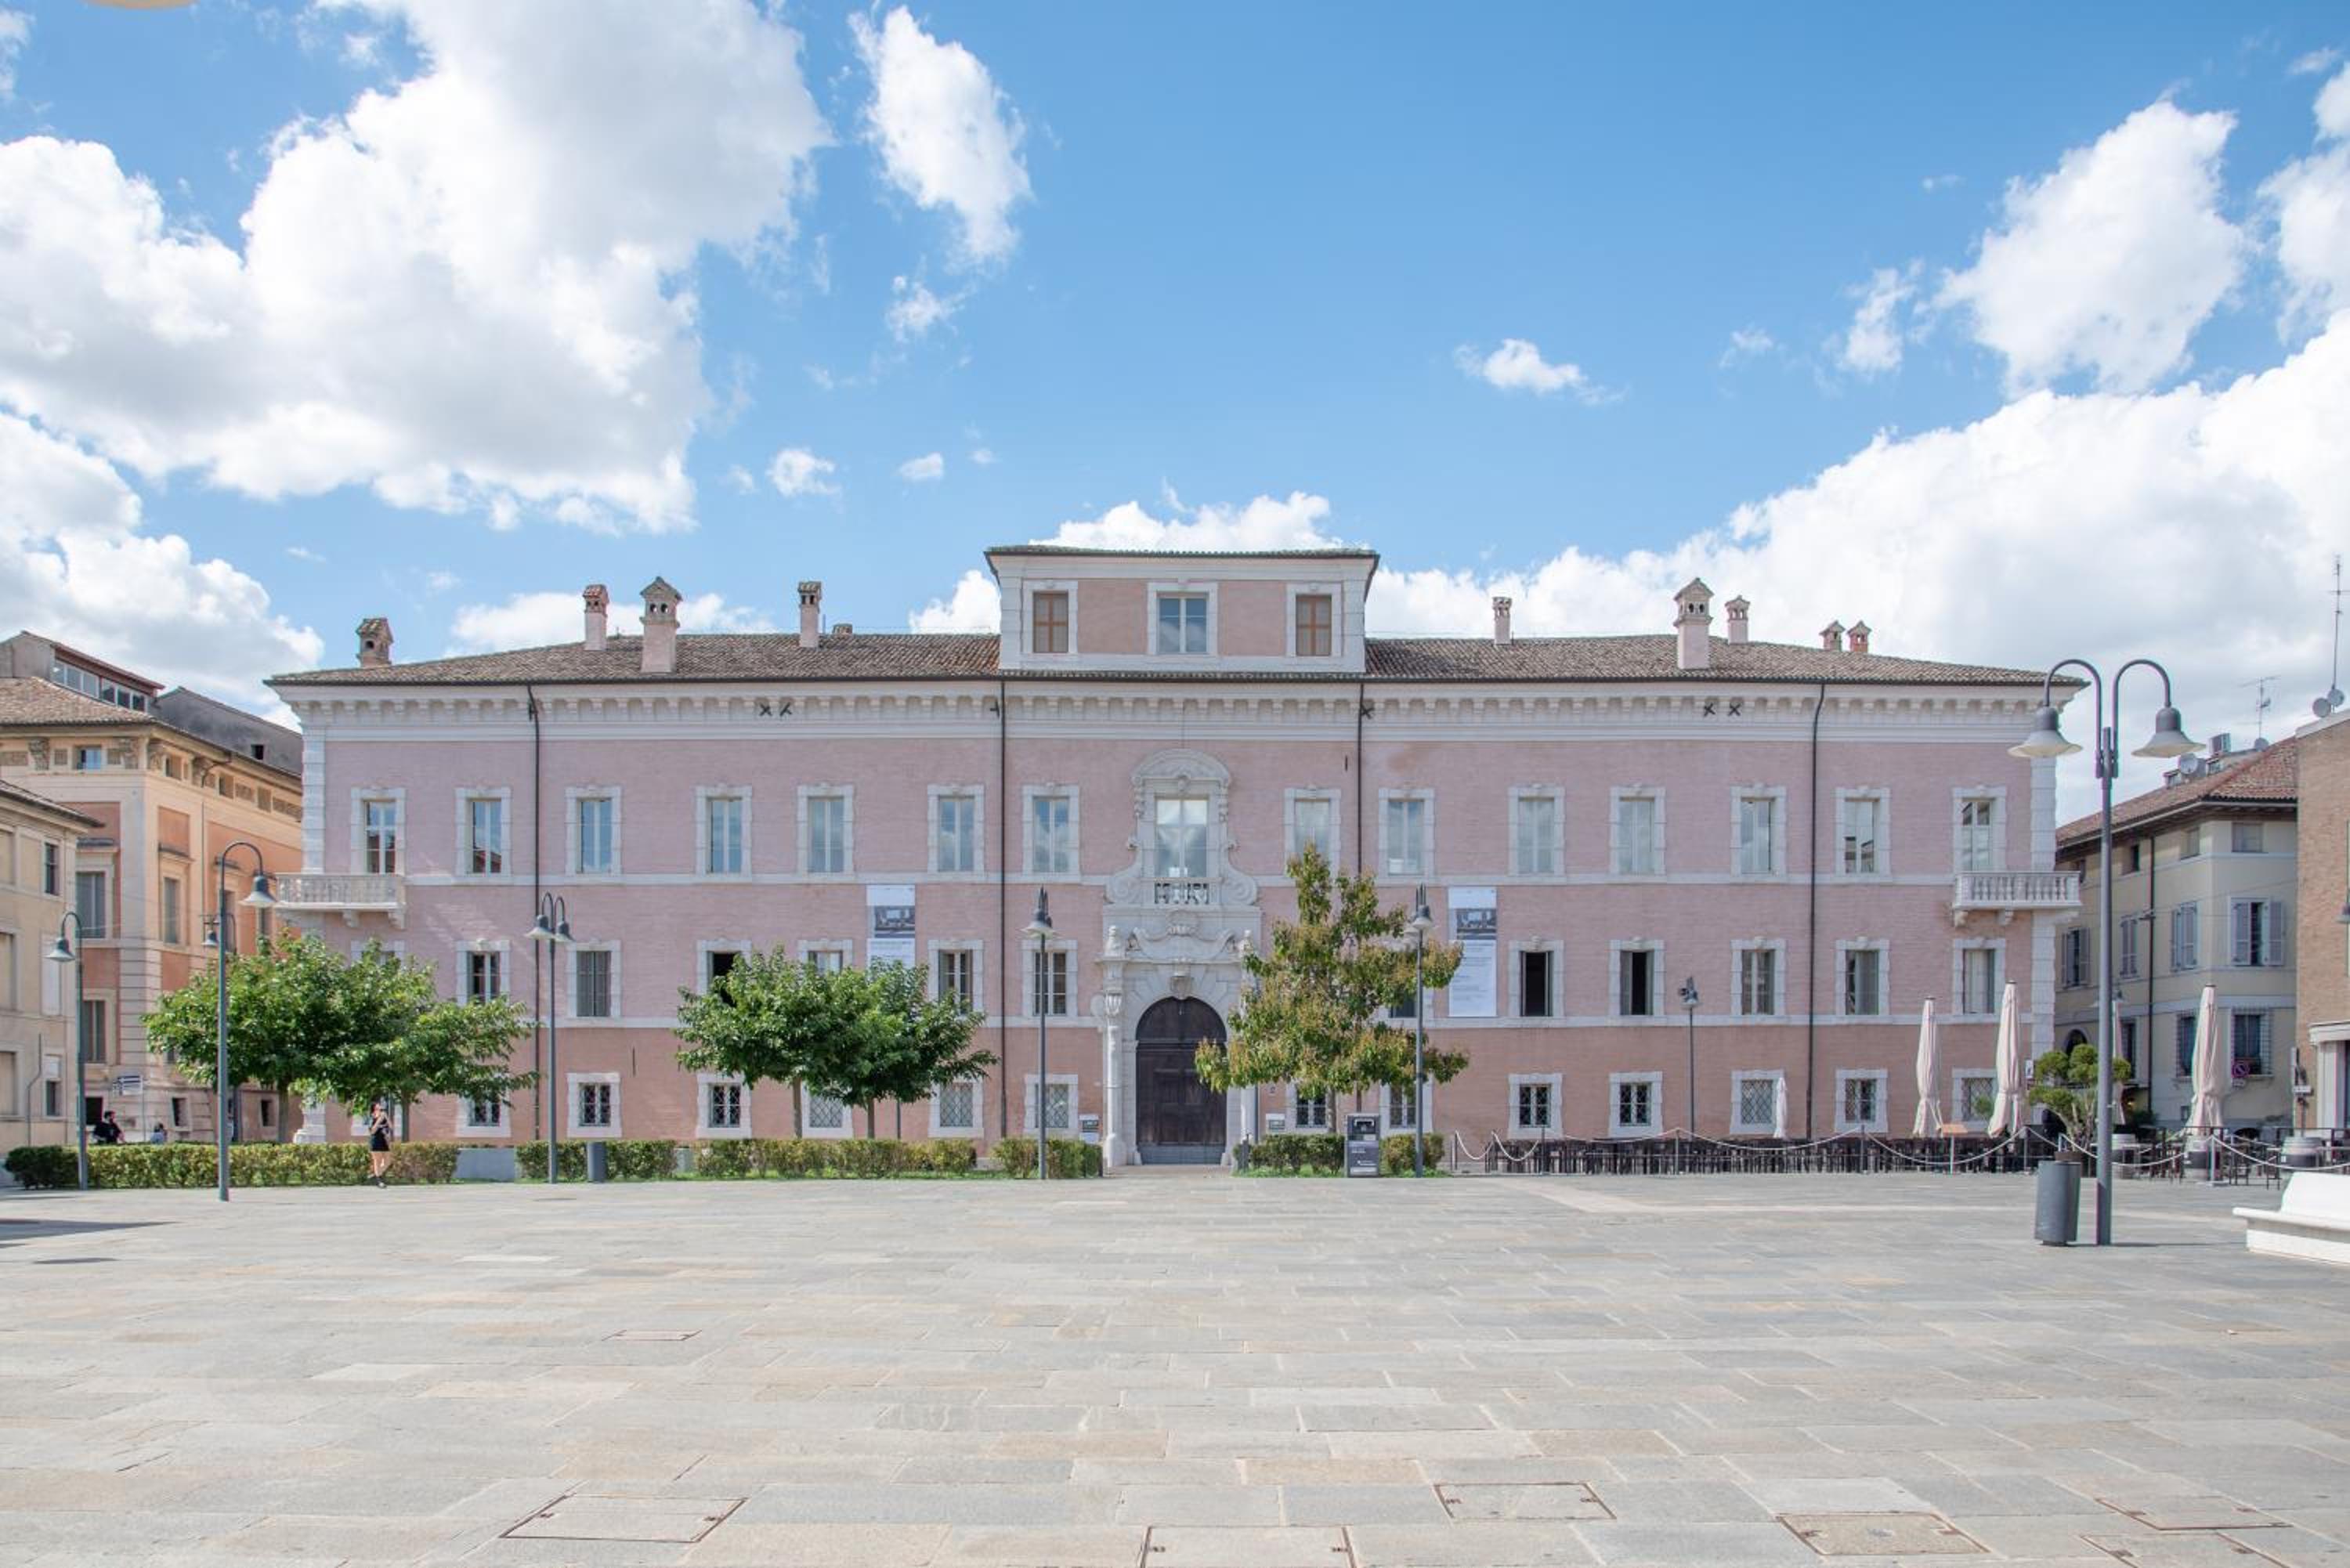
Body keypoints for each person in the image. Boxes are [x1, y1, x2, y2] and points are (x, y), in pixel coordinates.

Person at [366, 1103, 393, 1187]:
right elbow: (372, 1131)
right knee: (377, 1161)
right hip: (375, 1141)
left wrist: (386, 1117)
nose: (381, 1110)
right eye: (378, 1108)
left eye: (381, 1109)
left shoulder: (384, 1116)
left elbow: (391, 1127)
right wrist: (380, 1119)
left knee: (388, 1161)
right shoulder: (371, 1118)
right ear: (374, 1109)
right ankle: (379, 1181)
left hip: (384, 1141)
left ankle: (376, 1174)